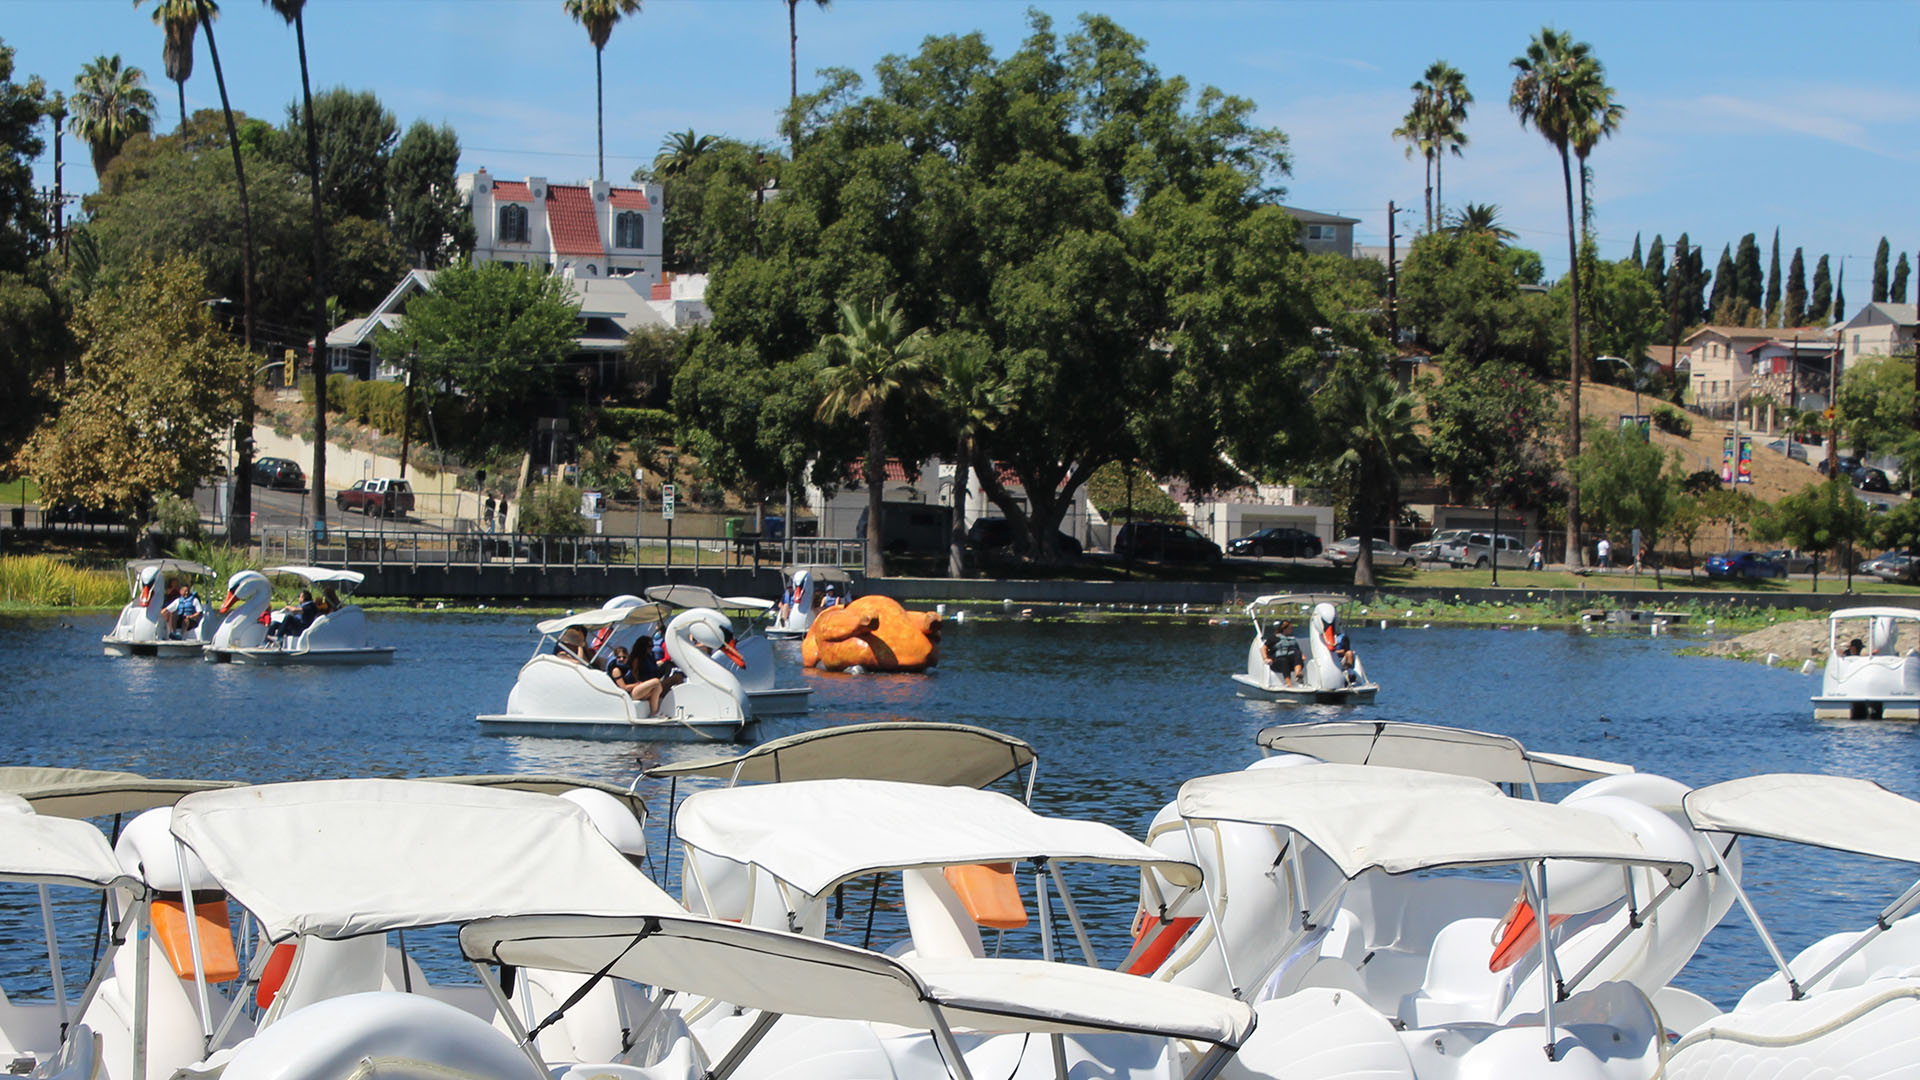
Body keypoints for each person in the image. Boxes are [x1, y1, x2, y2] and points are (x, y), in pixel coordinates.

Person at [606, 645, 670, 714]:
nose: (621, 659)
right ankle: (654, 713)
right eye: (619, 657)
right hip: (629, 694)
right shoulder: (616, 670)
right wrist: (639, 684)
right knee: (656, 681)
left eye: (624, 657)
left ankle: (654, 713)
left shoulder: (629, 667)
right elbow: (624, 687)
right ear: (615, 658)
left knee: (657, 687)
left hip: (635, 690)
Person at [1262, 619, 1305, 687]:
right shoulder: (1274, 638)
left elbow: (1297, 649)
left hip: (1291, 662)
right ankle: (1289, 684)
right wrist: (1265, 658)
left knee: (1297, 653)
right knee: (1283, 660)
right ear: (1284, 629)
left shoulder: (1292, 638)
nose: (1291, 630)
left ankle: (1298, 675)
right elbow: (1264, 648)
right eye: (1290, 628)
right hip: (1277, 662)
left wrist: (1302, 655)